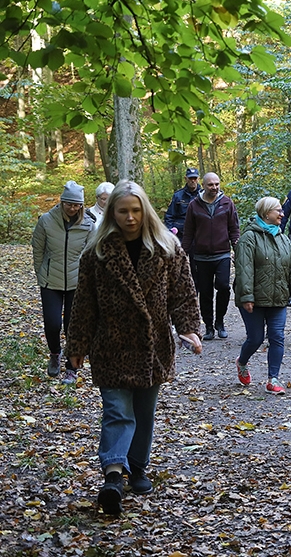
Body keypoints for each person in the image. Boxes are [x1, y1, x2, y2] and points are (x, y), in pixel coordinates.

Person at [66, 181, 202, 516]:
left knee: (143, 413)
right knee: (117, 411)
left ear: (146, 211)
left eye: (136, 210)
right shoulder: (97, 254)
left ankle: (137, 468)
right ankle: (113, 473)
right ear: (112, 212)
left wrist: (188, 328)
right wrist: (77, 345)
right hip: (110, 344)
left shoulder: (167, 249)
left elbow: (183, 293)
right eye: (123, 211)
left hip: (151, 345)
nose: (130, 217)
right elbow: (84, 304)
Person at [234, 197, 291, 395]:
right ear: (266, 213)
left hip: (278, 298)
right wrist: (247, 296)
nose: (282, 214)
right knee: (255, 338)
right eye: (278, 211)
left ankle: (273, 378)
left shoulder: (282, 238)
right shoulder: (249, 237)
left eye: (282, 211)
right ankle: (242, 362)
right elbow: (243, 269)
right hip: (254, 299)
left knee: (277, 337)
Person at [31, 180, 95, 383]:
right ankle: (55, 354)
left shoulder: (88, 224)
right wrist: (41, 274)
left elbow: (91, 253)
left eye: (77, 205)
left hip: (77, 283)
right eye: (69, 204)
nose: (73, 208)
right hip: (51, 281)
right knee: (52, 323)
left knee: (72, 327)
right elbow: (38, 249)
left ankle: (71, 369)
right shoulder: (46, 221)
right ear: (62, 202)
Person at [182, 172, 240, 340]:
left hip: (222, 254)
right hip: (201, 256)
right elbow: (188, 232)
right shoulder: (194, 205)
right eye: (210, 185)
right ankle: (208, 326)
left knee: (223, 286)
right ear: (204, 185)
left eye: (217, 184)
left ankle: (220, 321)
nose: (214, 187)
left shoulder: (227, 203)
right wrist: (183, 254)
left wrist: (237, 248)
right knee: (205, 292)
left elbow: (234, 229)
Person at [164, 168, 201, 240]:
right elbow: (169, 215)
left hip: (199, 234)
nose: (193, 180)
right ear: (186, 179)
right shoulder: (178, 196)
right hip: (181, 234)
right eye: (190, 178)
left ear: (198, 179)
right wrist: (170, 231)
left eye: (195, 178)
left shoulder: (203, 195)